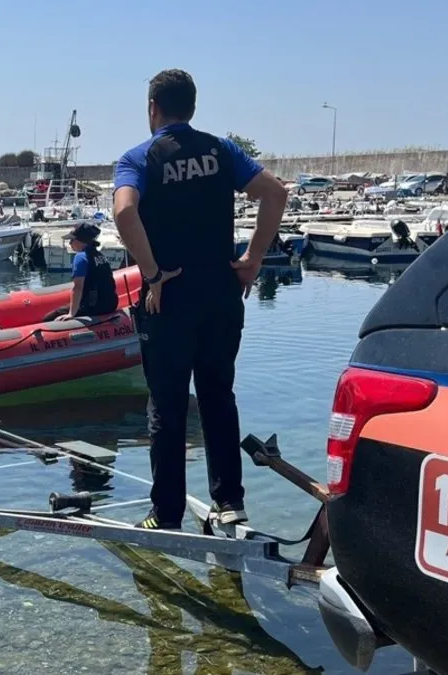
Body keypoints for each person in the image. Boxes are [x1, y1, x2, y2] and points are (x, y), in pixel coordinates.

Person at [112, 68, 288, 529]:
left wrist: (152, 274)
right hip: (221, 295)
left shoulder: (138, 158)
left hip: (169, 301)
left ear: (152, 108)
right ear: (192, 108)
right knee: (217, 397)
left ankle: (165, 514)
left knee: (167, 407)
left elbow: (124, 211)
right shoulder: (221, 150)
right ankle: (230, 500)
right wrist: (252, 258)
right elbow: (274, 193)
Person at [53, 222, 119, 320]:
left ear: (81, 241)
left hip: (94, 307)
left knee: (51, 316)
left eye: (72, 240)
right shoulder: (99, 255)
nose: (70, 243)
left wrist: (71, 314)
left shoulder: (81, 257)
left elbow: (77, 288)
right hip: (111, 304)